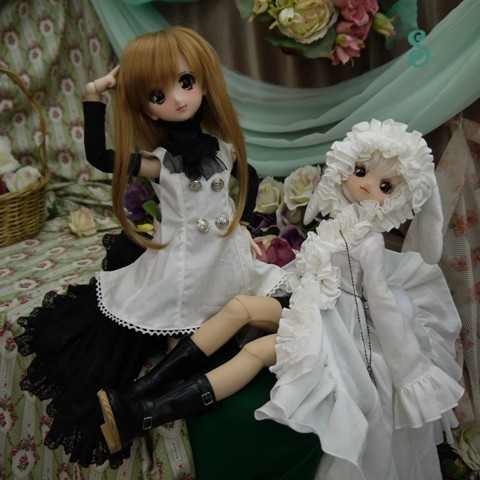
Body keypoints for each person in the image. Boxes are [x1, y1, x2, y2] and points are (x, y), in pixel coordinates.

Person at [97, 119, 464, 480]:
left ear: (399, 198)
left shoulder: (367, 243)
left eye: (385, 186)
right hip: (312, 301)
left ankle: (145, 414)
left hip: (339, 325)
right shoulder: (342, 221)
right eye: (360, 171)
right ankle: (140, 390)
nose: (366, 185)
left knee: (256, 352)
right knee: (240, 307)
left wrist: (410, 372)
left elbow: (381, 304)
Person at [14, 27, 285, 468]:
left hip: (226, 253)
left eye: (186, 83)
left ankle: (182, 372)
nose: (178, 100)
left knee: (246, 305)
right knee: (179, 319)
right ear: (145, 106)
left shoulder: (223, 149)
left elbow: (249, 178)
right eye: (159, 95)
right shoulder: (160, 163)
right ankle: (165, 385)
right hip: (184, 260)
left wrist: (244, 223)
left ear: (204, 83)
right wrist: (94, 95)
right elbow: (101, 158)